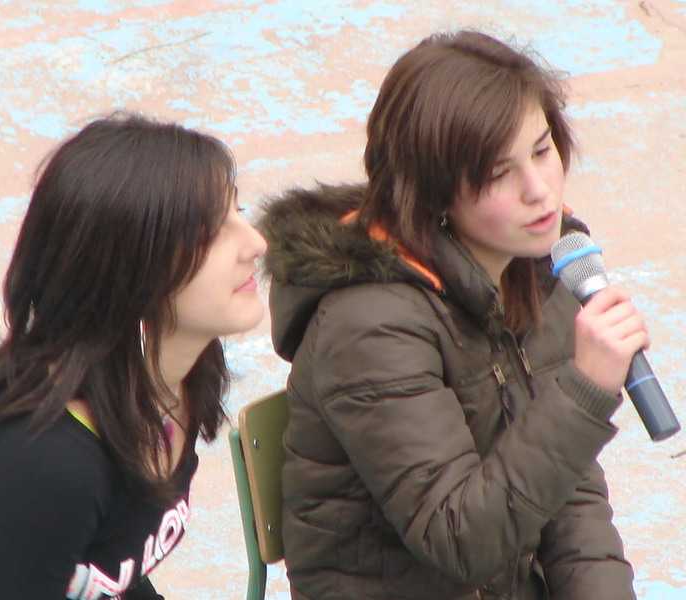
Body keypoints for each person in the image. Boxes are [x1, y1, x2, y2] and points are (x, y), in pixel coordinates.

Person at [259, 30, 644, 600]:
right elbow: (460, 540)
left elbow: (571, 495)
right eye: (499, 173)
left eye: (542, 151)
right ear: (435, 193)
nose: (539, 190)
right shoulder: (369, 324)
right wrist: (584, 391)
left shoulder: (536, 267)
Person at [0, 113, 267, 600]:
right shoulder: (47, 464)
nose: (256, 243)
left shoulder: (179, 376)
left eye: (238, 211)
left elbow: (113, 567)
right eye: (210, 232)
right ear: (131, 273)